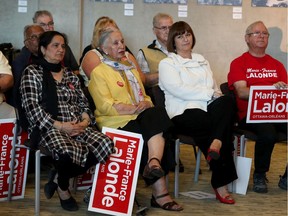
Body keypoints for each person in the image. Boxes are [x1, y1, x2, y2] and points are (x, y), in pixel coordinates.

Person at [88, 28, 183, 211]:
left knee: (157, 114)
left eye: (122, 41)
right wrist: (134, 108)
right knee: (144, 135)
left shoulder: (128, 68)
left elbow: (145, 97)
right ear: (104, 49)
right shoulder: (99, 72)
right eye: (115, 43)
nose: (121, 46)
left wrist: (145, 104)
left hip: (137, 115)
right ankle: (160, 194)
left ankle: (153, 162)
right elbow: (106, 106)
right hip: (115, 121)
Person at [19, 31, 114, 211]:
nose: (61, 49)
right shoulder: (32, 72)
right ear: (43, 49)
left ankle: (57, 179)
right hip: (48, 127)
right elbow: (32, 109)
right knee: (66, 152)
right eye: (55, 45)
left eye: (63, 46)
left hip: (77, 125)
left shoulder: (70, 74)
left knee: (106, 144)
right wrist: (62, 126)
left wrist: (85, 122)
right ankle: (63, 189)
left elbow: (83, 103)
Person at [159, 21, 238, 204]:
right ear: (173, 41)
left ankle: (216, 142)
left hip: (206, 106)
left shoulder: (201, 59)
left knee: (227, 100)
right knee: (217, 126)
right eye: (180, 36)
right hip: (182, 110)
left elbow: (213, 85)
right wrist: (210, 94)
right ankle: (220, 181)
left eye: (187, 34)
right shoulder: (167, 63)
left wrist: (216, 94)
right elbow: (178, 89)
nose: (185, 39)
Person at [228, 20, 287, 193]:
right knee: (268, 133)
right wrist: (269, 89)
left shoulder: (277, 65)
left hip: (277, 112)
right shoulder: (239, 63)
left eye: (265, 33)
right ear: (247, 38)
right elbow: (241, 92)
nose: (261, 36)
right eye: (257, 33)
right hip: (249, 113)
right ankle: (260, 174)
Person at [80, 16, 145, 87]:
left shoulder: (125, 53)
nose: (121, 46)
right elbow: (103, 84)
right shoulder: (92, 55)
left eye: (115, 30)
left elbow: (142, 81)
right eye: (109, 32)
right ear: (99, 36)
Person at [32, 10, 79, 75]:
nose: (48, 28)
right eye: (43, 25)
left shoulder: (63, 46)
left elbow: (75, 70)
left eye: (50, 24)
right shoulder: (32, 49)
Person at [136, 13, 173, 89]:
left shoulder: (181, 49)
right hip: (159, 95)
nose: (168, 31)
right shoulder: (144, 53)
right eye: (163, 28)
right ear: (154, 30)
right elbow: (143, 80)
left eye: (170, 28)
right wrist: (168, 73)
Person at [12, 25, 44, 93]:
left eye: (42, 36)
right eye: (33, 37)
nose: (39, 39)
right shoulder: (19, 62)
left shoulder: (51, 57)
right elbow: (16, 92)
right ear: (26, 43)